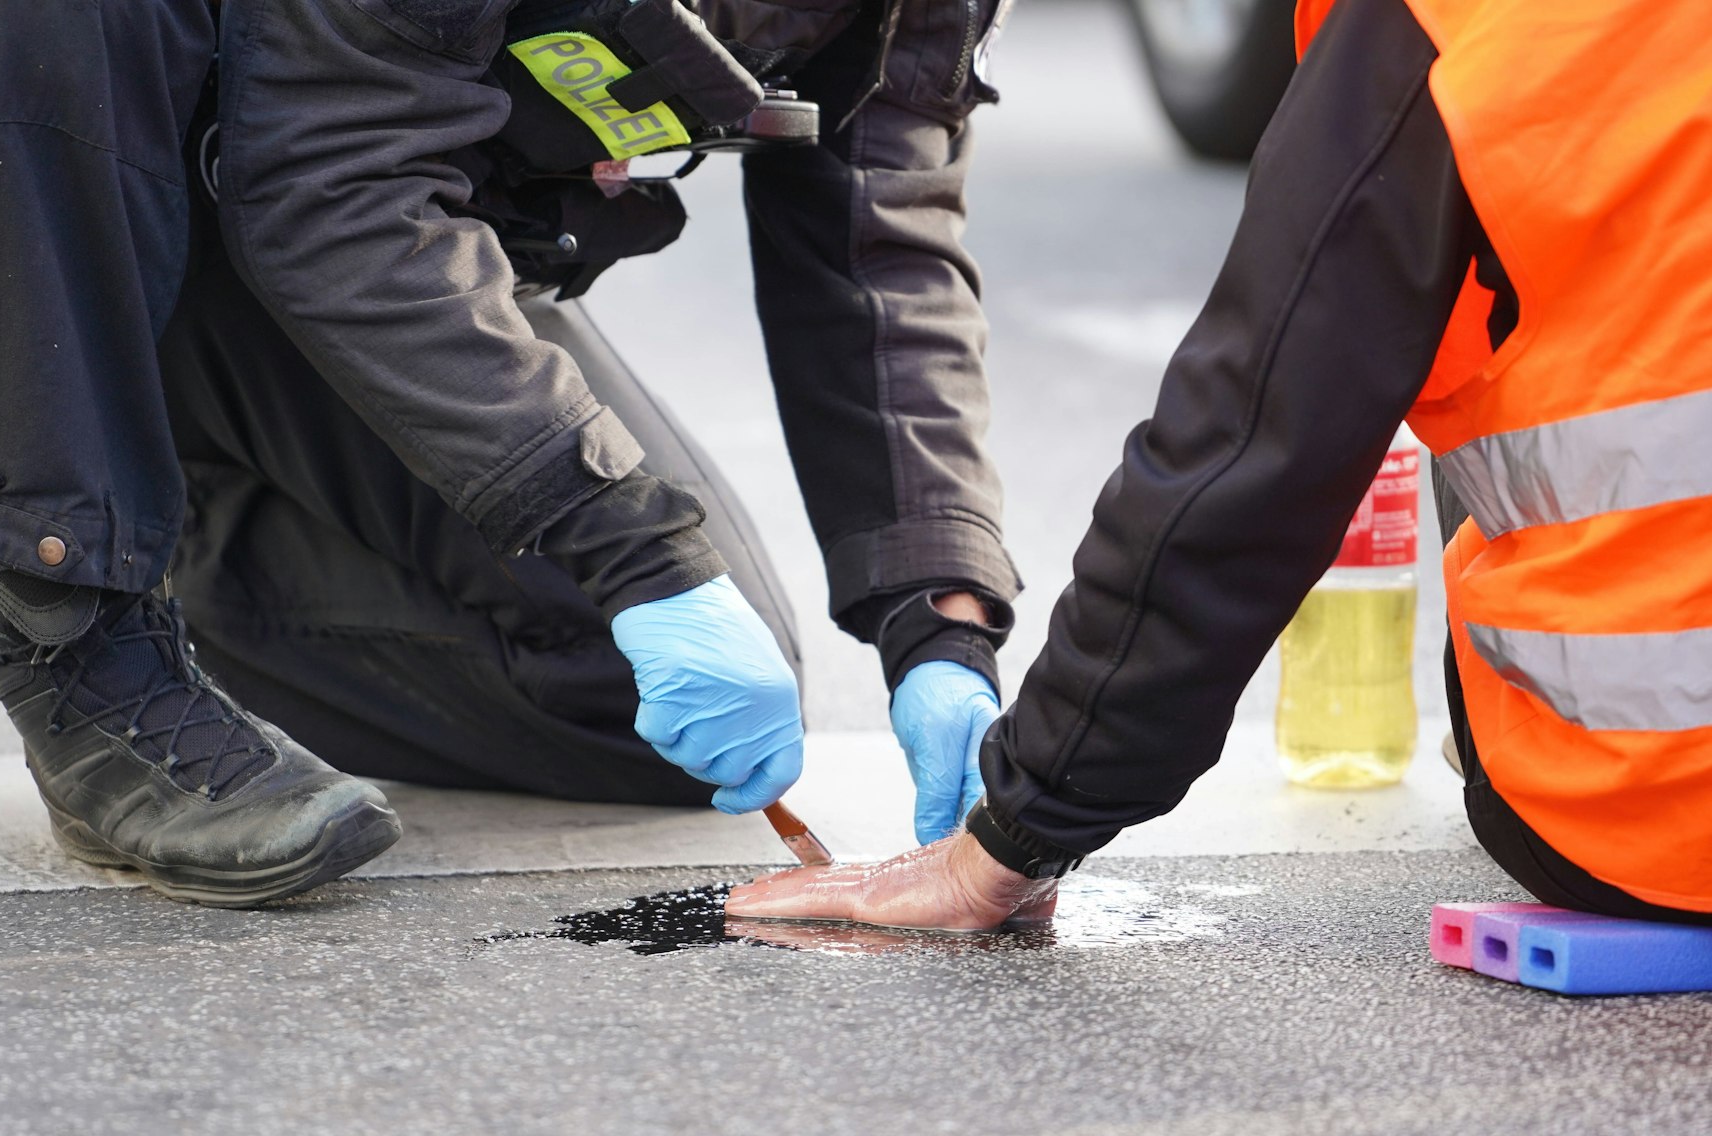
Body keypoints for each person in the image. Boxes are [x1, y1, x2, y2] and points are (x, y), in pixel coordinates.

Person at [0, 0, 1020, 902]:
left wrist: (939, 619)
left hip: (341, 216)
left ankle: (29, 443)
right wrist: (634, 547)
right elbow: (331, 182)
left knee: (615, 695)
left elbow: (878, 248)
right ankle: (71, 608)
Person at [728, 0, 1712, 931]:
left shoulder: (1445, 20)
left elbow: (1261, 433)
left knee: (1472, 323)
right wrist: (928, 609)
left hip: (1659, 821)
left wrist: (1018, 827)